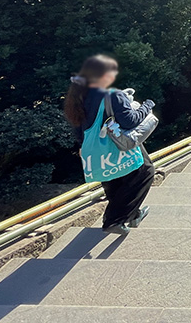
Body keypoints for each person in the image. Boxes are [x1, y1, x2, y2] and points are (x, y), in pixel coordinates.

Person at [64, 54, 155, 236]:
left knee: (114, 180)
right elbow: (130, 121)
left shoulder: (80, 95)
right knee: (145, 172)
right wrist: (147, 106)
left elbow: (77, 125)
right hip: (118, 142)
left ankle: (133, 214)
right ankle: (115, 220)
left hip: (94, 149)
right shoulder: (112, 94)